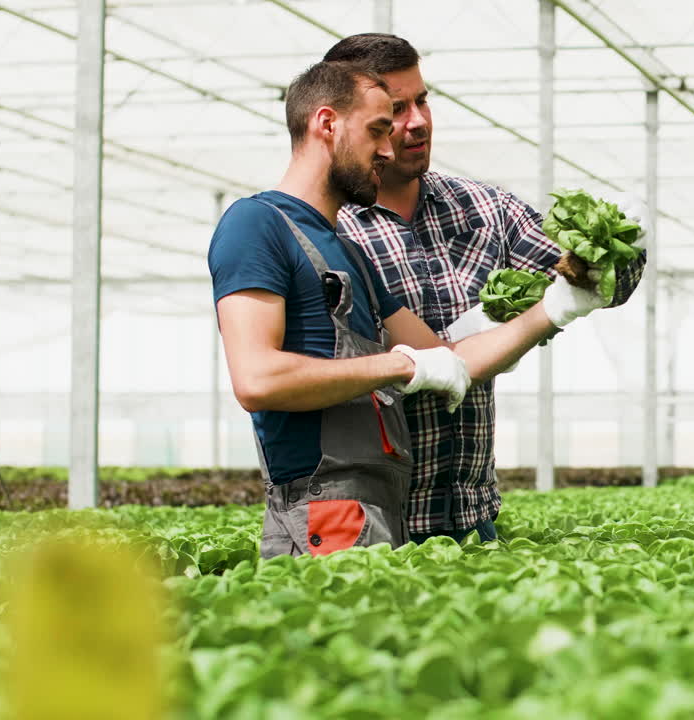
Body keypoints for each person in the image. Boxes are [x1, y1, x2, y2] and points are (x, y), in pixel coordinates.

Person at [208, 60, 609, 558]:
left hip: (378, 502)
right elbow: (258, 379)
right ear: (327, 123)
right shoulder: (256, 224)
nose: (387, 147)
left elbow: (449, 359)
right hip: (323, 504)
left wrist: (557, 307)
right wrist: (401, 365)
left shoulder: (344, 249)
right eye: (379, 128)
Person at [323, 34, 648, 544]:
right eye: (395, 109)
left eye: (422, 101)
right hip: (373, 529)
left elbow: (595, 278)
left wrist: (612, 256)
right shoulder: (330, 230)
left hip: (474, 521)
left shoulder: (485, 209)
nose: (417, 122)